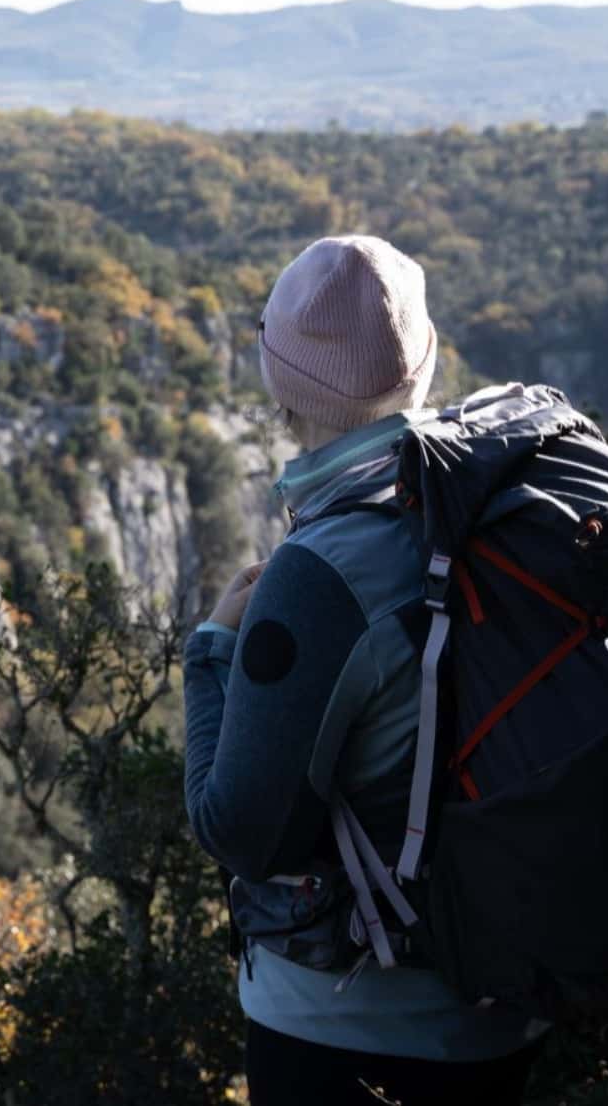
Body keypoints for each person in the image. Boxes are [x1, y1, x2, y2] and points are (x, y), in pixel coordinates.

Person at [181, 235, 549, 1104]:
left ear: (281, 387)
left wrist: (211, 652)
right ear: (422, 368)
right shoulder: (497, 506)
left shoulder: (324, 576)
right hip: (508, 1010)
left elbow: (238, 830)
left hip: (343, 1031)